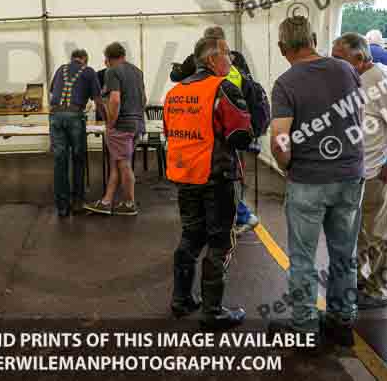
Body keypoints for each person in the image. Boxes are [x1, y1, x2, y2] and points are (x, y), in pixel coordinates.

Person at [268, 16, 364, 346]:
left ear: (283, 48)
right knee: (344, 254)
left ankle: (305, 326)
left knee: (303, 258)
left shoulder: (285, 83)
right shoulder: (346, 70)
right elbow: (357, 118)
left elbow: (281, 139)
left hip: (308, 179)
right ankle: (341, 321)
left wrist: (286, 166)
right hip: (350, 176)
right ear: (312, 38)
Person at [164, 36, 252, 329]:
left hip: (185, 175)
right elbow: (241, 135)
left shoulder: (175, 92)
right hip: (217, 178)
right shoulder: (222, 88)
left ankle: (182, 300)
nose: (232, 59)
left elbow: (169, 130)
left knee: (190, 236)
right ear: (212, 59)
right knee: (220, 242)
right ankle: (213, 312)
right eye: (227, 54)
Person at [332, 33, 387, 310]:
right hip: (356, 172)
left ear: (360, 57)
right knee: (359, 233)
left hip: (378, 172)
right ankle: (359, 281)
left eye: (339, 58)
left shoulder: (381, 79)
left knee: (379, 234)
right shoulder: (354, 77)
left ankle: (379, 290)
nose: (335, 63)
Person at [170, 26, 263, 234]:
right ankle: (237, 215)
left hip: (211, 125)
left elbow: (176, 76)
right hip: (230, 123)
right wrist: (252, 128)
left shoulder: (196, 61)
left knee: (215, 177)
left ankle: (237, 215)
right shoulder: (237, 59)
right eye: (225, 52)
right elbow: (251, 90)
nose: (228, 57)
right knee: (231, 174)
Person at [85, 42, 146, 216]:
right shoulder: (137, 71)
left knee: (124, 164)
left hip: (122, 124)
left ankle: (129, 204)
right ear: (123, 55)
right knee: (117, 163)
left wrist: (111, 122)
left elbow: (115, 99)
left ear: (107, 60)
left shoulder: (113, 71)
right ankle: (106, 201)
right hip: (137, 123)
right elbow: (144, 98)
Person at [48, 49, 102, 217]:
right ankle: (77, 202)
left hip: (55, 116)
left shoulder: (60, 69)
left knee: (60, 161)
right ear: (85, 59)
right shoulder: (89, 71)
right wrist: (107, 120)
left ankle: (62, 207)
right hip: (75, 117)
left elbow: (52, 93)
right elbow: (98, 100)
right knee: (78, 159)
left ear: (72, 59)